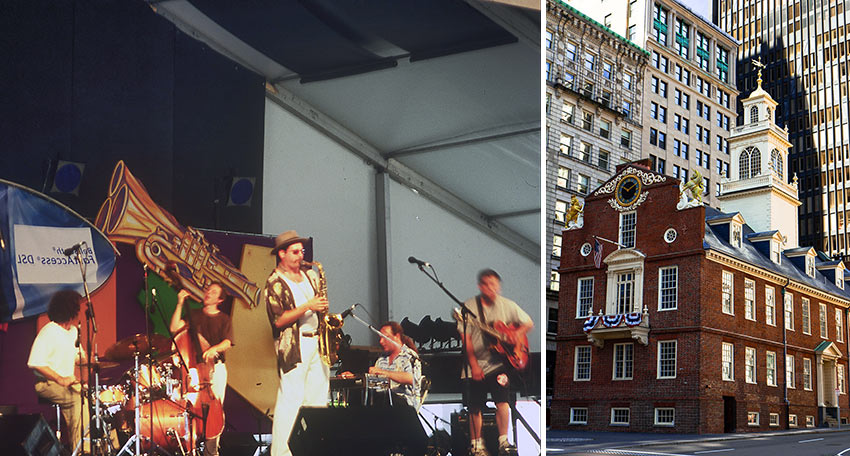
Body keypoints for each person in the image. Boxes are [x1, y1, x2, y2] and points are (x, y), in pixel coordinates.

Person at [263, 230, 329, 456]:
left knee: (318, 401)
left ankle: (313, 449)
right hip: (294, 346)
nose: (300, 256)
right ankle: (281, 453)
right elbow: (279, 320)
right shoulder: (275, 282)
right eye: (294, 252)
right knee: (290, 402)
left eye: (301, 251)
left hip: (317, 343)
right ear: (281, 254)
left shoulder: (311, 275)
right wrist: (308, 306)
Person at [458, 269, 533, 456]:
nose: (491, 288)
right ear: (480, 286)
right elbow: (466, 341)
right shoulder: (469, 308)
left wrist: (516, 333)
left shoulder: (508, 305)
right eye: (487, 285)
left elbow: (528, 323)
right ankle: (477, 445)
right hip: (475, 362)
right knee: (475, 405)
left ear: (498, 286)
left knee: (503, 400)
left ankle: (503, 442)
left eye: (494, 285)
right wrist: (474, 365)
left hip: (498, 363)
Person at [170, 282, 233, 456]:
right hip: (194, 373)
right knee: (187, 408)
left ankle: (212, 451)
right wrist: (180, 303)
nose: (208, 293)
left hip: (216, 370)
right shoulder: (195, 315)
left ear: (219, 300)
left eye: (213, 292)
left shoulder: (224, 319)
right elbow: (174, 328)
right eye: (208, 290)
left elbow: (227, 343)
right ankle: (189, 449)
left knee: (215, 409)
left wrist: (214, 348)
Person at [28, 289, 88, 453]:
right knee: (77, 400)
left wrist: (87, 359)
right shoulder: (49, 331)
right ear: (70, 310)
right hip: (47, 384)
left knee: (92, 399)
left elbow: (78, 357)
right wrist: (59, 378)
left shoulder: (73, 332)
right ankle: (81, 451)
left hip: (67, 385)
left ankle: (104, 448)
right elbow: (35, 362)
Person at [343, 321, 422, 410]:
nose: (381, 341)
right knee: (359, 397)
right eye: (380, 338)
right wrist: (356, 378)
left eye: (385, 337)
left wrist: (384, 372)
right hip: (384, 402)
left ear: (397, 336)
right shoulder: (382, 359)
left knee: (386, 398)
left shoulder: (410, 356)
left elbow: (411, 379)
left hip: (405, 405)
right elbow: (377, 384)